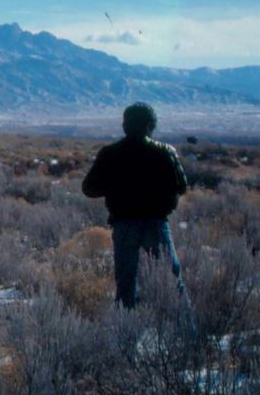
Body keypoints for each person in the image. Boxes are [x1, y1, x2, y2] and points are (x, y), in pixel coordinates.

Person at [81, 102, 188, 309]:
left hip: (124, 224)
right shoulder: (165, 152)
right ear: (150, 125)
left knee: (125, 286)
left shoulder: (110, 153)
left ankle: (126, 328)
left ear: (125, 125)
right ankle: (183, 326)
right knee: (172, 282)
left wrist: (115, 186)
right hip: (156, 224)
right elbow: (182, 186)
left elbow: (89, 188)